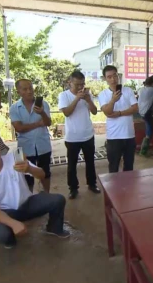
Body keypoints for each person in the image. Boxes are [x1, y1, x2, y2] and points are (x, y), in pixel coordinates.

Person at [0, 135, 69, 249]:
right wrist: (13, 224)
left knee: (58, 200)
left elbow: (42, 174)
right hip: (6, 212)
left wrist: (29, 169)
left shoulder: (15, 157)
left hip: (28, 203)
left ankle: (54, 228)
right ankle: (10, 241)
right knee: (1, 234)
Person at [58, 71, 99, 199]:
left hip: (88, 134)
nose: (80, 87)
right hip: (72, 137)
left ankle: (92, 184)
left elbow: (94, 111)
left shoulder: (88, 95)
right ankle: (73, 188)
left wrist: (88, 100)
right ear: (70, 82)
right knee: (72, 164)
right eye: (77, 85)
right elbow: (66, 113)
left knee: (90, 162)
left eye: (82, 84)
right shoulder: (64, 95)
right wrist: (77, 98)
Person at [10, 79, 52, 193]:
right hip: (25, 148)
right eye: (25, 89)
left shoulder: (44, 104)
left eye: (30, 88)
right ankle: (28, 197)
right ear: (18, 91)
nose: (29, 91)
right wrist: (38, 124)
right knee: (26, 176)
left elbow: (48, 123)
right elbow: (19, 128)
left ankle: (46, 194)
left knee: (45, 173)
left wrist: (42, 113)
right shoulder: (14, 108)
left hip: (43, 145)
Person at [98, 65, 138, 173]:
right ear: (105, 79)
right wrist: (113, 100)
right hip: (114, 136)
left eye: (115, 76)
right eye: (109, 77)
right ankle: (114, 189)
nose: (113, 79)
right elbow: (107, 112)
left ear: (118, 76)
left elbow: (135, 108)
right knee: (113, 166)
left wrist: (120, 113)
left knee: (129, 166)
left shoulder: (128, 91)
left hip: (129, 134)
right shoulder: (103, 95)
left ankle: (128, 188)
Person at [137, 73, 153, 155]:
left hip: (140, 111)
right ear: (152, 83)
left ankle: (144, 149)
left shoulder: (141, 89)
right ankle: (143, 151)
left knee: (150, 126)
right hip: (146, 112)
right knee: (150, 129)